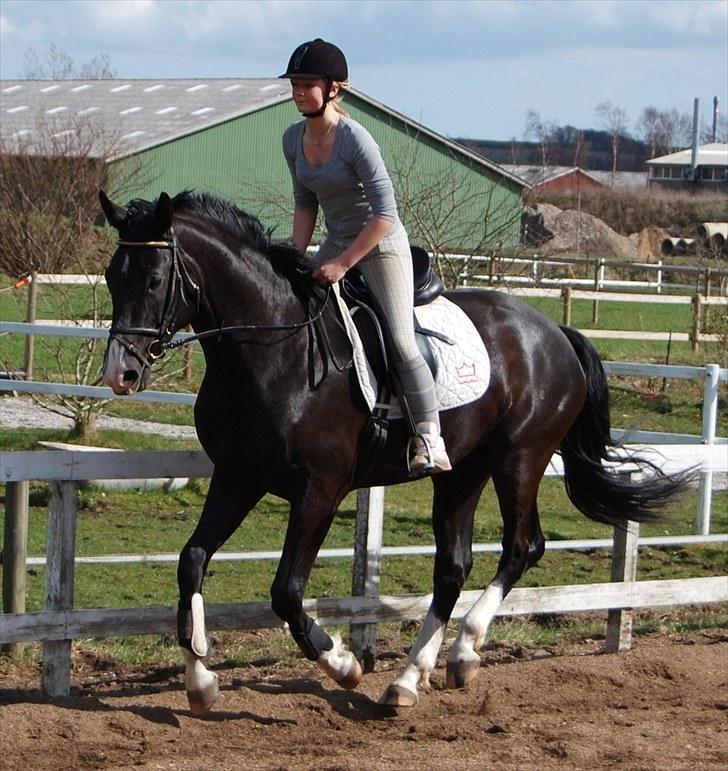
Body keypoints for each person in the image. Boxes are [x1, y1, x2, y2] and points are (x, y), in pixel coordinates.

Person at [280, 38, 451, 475]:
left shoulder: (356, 139)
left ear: (333, 89)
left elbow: (386, 216)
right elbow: (305, 203)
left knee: (398, 338)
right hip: (336, 239)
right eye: (295, 84)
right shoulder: (292, 138)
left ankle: (429, 438)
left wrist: (342, 264)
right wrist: (294, 258)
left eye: (307, 84)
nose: (298, 92)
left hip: (379, 246)